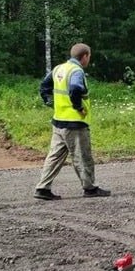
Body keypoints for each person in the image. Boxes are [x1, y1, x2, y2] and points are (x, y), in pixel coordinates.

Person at [34, 43, 110, 200]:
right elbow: (75, 88)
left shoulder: (59, 69)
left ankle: (43, 188)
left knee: (54, 156)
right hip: (75, 123)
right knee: (83, 156)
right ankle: (90, 188)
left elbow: (44, 86)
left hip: (59, 121)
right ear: (85, 56)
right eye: (89, 57)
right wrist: (78, 107)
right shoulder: (76, 71)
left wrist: (50, 102)